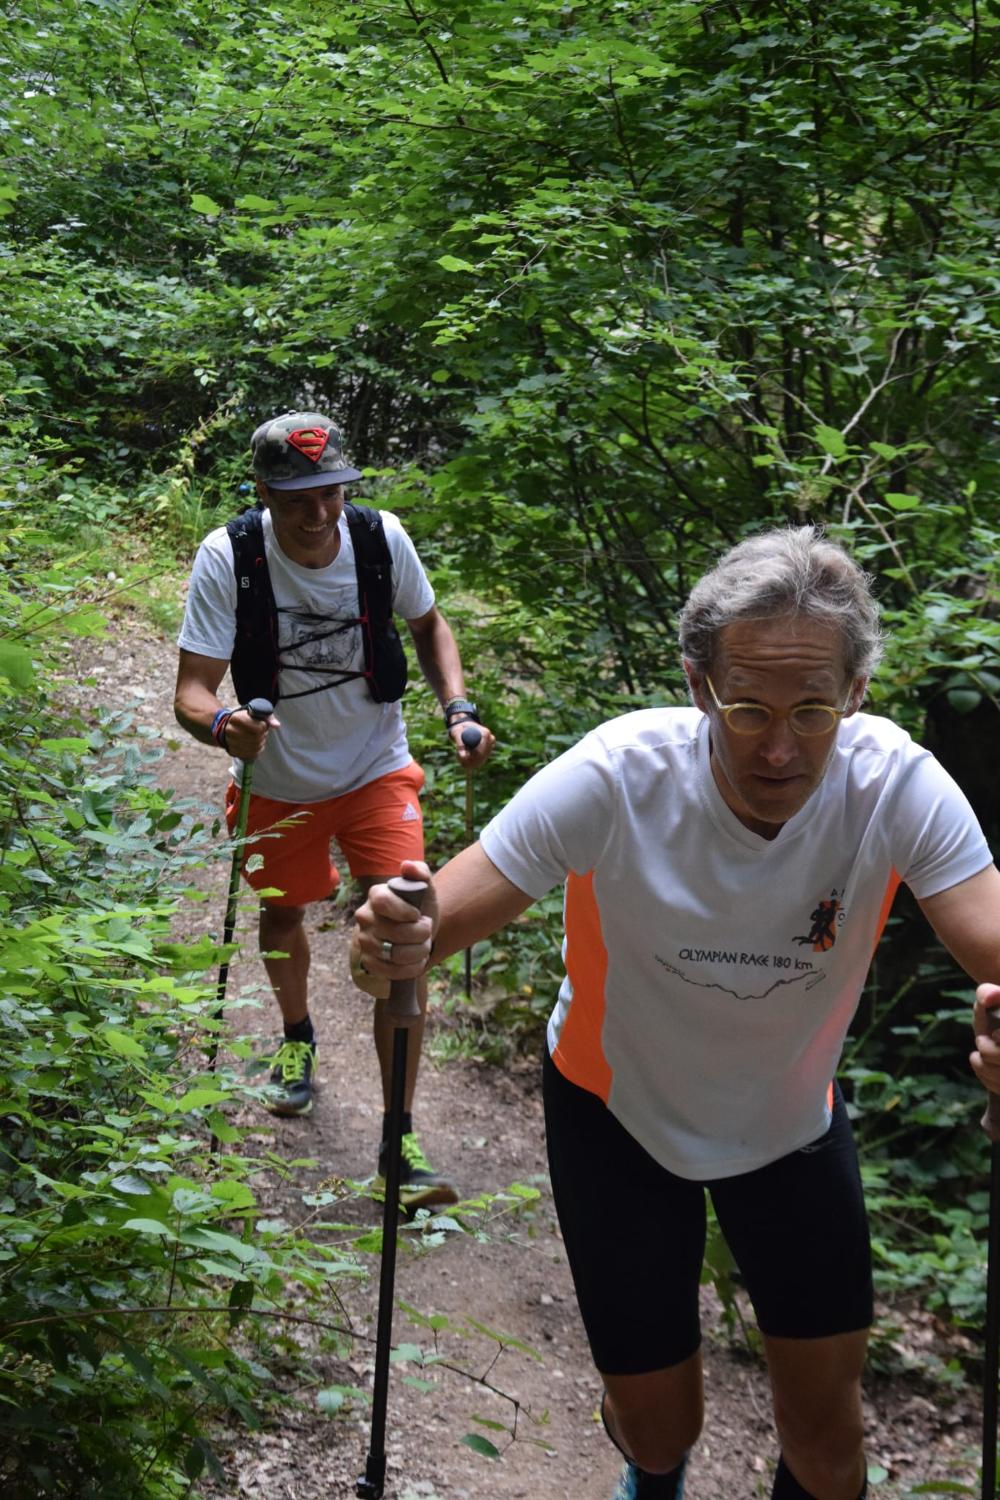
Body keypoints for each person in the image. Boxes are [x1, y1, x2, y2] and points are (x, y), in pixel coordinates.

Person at [353, 526, 1000, 1499]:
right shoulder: (618, 776)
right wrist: (388, 943)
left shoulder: (894, 784)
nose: (779, 746)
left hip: (789, 1125)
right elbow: (428, 928)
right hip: (616, 1120)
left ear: (856, 694)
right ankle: (652, 1475)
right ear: (697, 685)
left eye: (814, 709)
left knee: (828, 1452)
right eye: (745, 708)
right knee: (658, 1434)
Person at [174, 410, 494, 1208]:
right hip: (276, 779)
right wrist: (223, 727)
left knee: (404, 943)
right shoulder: (230, 557)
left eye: (330, 493)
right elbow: (190, 691)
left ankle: (399, 1135)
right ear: (263, 493)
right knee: (283, 916)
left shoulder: (381, 539)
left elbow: (428, 624)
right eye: (296, 499)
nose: (318, 514)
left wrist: (457, 709)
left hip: (376, 771)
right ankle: (295, 1038)